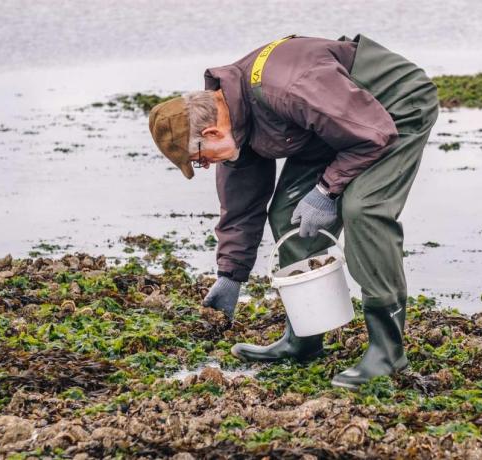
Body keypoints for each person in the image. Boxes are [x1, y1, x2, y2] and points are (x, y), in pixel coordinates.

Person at [148, 34, 438, 389]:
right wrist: (230, 276)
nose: (206, 167)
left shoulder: (288, 89)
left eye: (201, 160)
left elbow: (372, 135)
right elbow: (241, 207)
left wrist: (325, 190)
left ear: (209, 132)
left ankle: (387, 351)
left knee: (364, 209)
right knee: (289, 216)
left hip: (392, 108)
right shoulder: (233, 123)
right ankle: (304, 339)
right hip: (333, 124)